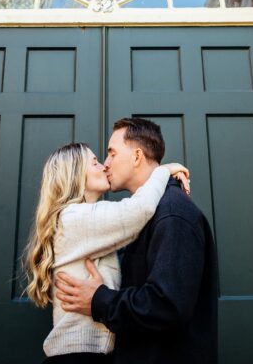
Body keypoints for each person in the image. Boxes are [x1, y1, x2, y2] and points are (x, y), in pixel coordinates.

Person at [55, 118, 218, 364]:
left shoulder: (172, 213)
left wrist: (99, 300)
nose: (106, 164)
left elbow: (167, 305)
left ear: (137, 156)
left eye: (111, 154)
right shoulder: (141, 219)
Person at [24, 140, 190, 363]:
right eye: (94, 162)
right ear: (75, 175)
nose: (104, 166)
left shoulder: (87, 223)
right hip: (77, 356)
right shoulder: (74, 217)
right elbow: (139, 210)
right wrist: (161, 171)